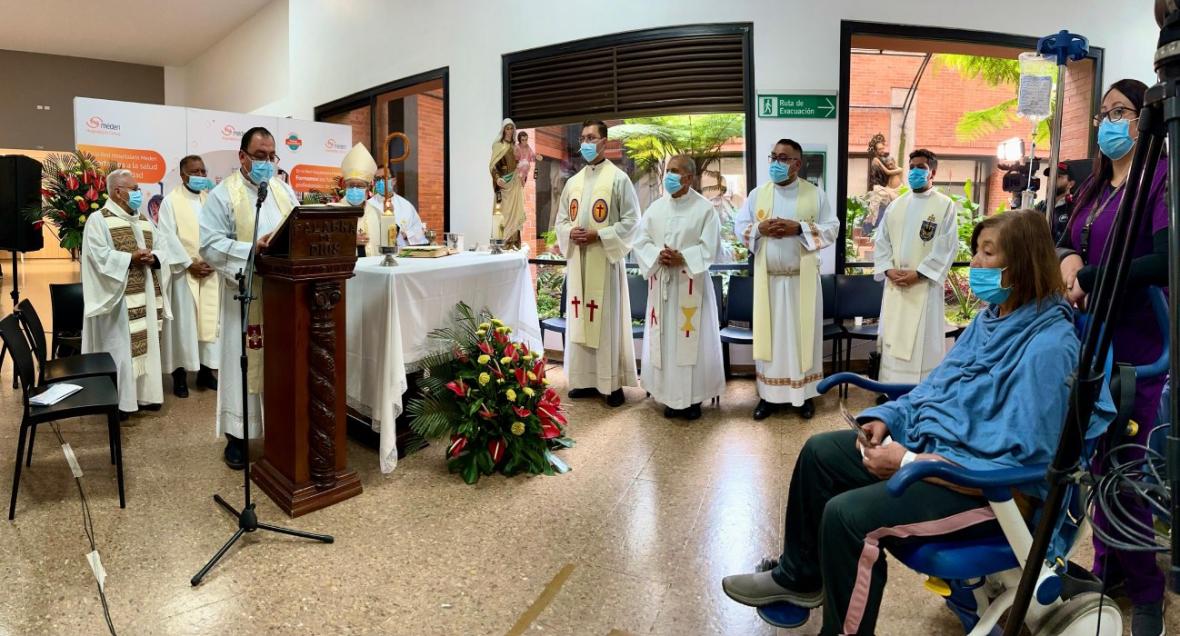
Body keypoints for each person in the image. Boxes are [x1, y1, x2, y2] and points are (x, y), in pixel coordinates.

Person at [722, 210, 1114, 636]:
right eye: (976, 252)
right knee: (819, 454)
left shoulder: (1048, 349)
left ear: (1022, 260)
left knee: (846, 516)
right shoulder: (990, 321)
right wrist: (886, 417)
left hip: (994, 496)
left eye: (988, 252)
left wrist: (908, 461)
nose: (977, 264)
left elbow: (1021, 460)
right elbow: (935, 390)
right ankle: (799, 578)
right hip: (940, 458)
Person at [1058, 78, 1169, 636]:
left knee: (1126, 468)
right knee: (1094, 461)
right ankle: (1109, 569)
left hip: (1139, 345)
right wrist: (1071, 262)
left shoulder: (1160, 181)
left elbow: (1164, 260)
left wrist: (1096, 277)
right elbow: (1065, 239)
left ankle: (1148, 588)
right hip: (1091, 336)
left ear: (1144, 121)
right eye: (1102, 113)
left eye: (1120, 111)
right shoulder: (1095, 185)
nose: (1108, 122)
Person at [199, 126, 299, 469]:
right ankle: (238, 437)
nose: (267, 163)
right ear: (242, 157)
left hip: (283, 299)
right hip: (245, 298)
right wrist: (249, 250)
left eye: (272, 157)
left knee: (280, 366)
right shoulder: (223, 195)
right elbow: (209, 245)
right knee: (242, 367)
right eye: (260, 157)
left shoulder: (285, 191)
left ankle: (279, 429)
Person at [734, 139, 838, 421]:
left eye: (784, 158)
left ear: (797, 164)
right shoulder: (758, 194)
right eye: (774, 157)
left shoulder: (815, 194)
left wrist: (799, 228)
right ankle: (768, 396)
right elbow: (739, 226)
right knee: (772, 342)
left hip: (801, 282)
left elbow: (832, 228)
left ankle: (803, 396)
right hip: (768, 282)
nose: (777, 163)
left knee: (801, 340)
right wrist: (760, 228)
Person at [555, 119, 641, 408]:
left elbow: (632, 221)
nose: (586, 143)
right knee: (579, 320)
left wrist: (600, 235)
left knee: (605, 324)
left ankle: (611, 384)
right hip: (579, 262)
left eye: (592, 138)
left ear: (605, 142)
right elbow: (561, 220)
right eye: (582, 138)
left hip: (604, 262)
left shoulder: (618, 179)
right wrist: (570, 233)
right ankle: (584, 381)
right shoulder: (573, 182)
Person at [82, 169, 181, 416]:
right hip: (118, 300)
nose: (139, 194)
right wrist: (129, 259)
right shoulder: (99, 219)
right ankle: (122, 402)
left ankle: (147, 395)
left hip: (145, 294)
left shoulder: (143, 220)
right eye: (134, 189)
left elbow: (162, 248)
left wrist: (154, 257)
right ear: (118, 191)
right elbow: (97, 256)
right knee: (121, 349)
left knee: (147, 344)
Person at [633, 155, 724, 419]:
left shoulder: (704, 209)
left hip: (690, 286)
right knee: (665, 343)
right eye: (667, 171)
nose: (668, 176)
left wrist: (683, 256)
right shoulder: (656, 208)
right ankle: (668, 397)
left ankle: (692, 400)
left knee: (690, 343)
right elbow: (642, 241)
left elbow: (711, 248)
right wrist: (656, 255)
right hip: (662, 285)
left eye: (674, 171)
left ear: (689, 177)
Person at [872, 148, 958, 384]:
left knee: (921, 341)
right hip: (896, 286)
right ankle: (890, 388)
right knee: (894, 338)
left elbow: (948, 246)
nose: (915, 172)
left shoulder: (944, 206)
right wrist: (888, 269)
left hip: (924, 288)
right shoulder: (896, 205)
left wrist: (919, 274)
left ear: (933, 173)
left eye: (921, 167)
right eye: (912, 167)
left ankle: (919, 393)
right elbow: (881, 241)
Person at [157, 155, 219, 398]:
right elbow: (166, 237)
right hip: (184, 274)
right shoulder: (170, 202)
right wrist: (187, 263)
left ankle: (205, 371)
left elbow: (219, 231)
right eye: (196, 171)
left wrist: (213, 259)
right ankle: (179, 375)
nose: (201, 176)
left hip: (210, 272)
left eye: (204, 171)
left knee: (209, 323)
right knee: (183, 326)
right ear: (183, 175)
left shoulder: (210, 200)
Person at [358, 168, 427, 257]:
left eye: (383, 178)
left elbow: (418, 228)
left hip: (404, 256)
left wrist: (407, 234)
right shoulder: (369, 205)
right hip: (378, 256)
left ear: (393, 181)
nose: (380, 182)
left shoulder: (405, 205)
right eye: (377, 179)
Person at [338, 143, 379, 257]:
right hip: (346, 269)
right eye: (351, 185)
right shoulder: (335, 212)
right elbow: (324, 241)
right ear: (345, 187)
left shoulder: (376, 213)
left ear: (367, 189)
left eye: (360, 186)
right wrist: (349, 241)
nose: (355, 189)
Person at [490, 118, 525, 249]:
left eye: (511, 128)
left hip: (514, 182)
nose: (509, 131)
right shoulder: (498, 145)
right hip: (503, 184)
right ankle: (502, 242)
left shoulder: (516, 146)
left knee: (515, 212)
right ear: (503, 130)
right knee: (502, 213)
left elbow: (521, 164)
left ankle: (513, 242)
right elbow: (492, 166)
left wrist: (522, 176)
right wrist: (497, 178)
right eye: (507, 128)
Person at [1035, 161, 1078, 245]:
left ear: (1071, 184)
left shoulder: (1076, 208)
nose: (1052, 180)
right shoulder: (1040, 206)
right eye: (1050, 177)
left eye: (1058, 176)